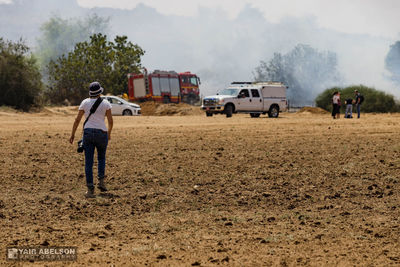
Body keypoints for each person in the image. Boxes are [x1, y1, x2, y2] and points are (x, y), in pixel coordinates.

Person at [69, 82, 113, 198]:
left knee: (88, 162)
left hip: (88, 133)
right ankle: (101, 182)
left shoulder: (85, 102)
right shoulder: (106, 103)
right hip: (102, 132)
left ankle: (90, 189)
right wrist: (109, 133)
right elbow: (110, 121)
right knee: (101, 158)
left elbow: (77, 120)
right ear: (100, 92)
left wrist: (72, 134)